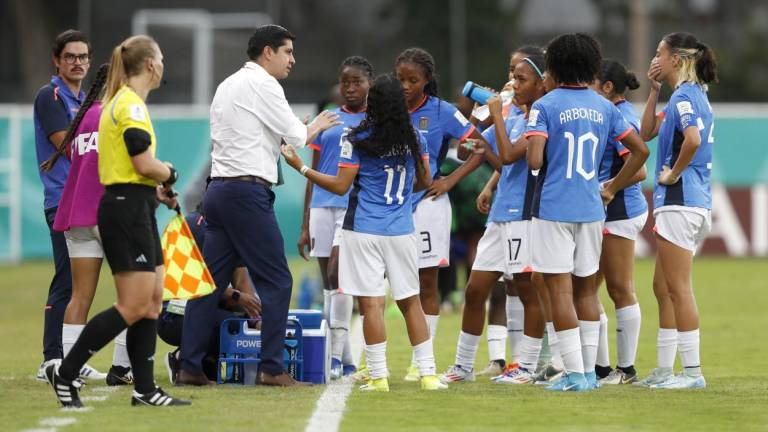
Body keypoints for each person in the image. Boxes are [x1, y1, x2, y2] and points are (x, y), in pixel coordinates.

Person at [179, 24, 339, 387]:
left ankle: (189, 366)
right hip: (246, 193)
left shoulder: (227, 84)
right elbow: (297, 137)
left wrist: (291, 130)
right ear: (268, 51)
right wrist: (319, 124)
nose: (292, 60)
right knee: (278, 280)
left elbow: (252, 134)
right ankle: (271, 367)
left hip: (218, 191)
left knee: (209, 283)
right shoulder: (265, 84)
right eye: (287, 52)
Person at [44, 35, 189, 407]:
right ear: (152, 65)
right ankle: (66, 372)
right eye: (162, 59)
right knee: (134, 304)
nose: (164, 66)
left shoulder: (123, 102)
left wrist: (154, 190)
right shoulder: (130, 105)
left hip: (136, 203)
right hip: (125, 210)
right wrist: (168, 172)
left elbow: (126, 166)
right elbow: (144, 163)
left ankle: (144, 389)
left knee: (153, 300)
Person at [282, 73, 447, 392]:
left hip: (363, 230)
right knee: (411, 301)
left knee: (371, 304)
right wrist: (399, 197)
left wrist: (300, 167)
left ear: (373, 103)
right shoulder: (415, 135)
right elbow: (426, 181)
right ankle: (428, 374)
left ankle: (379, 377)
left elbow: (341, 185)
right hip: (401, 229)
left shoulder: (356, 136)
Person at [524, 33, 649, 392]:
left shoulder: (545, 106)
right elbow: (640, 153)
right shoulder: (605, 107)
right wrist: (610, 186)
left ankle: (576, 374)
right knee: (587, 293)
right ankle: (592, 376)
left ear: (554, 67)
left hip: (553, 206)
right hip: (593, 209)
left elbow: (534, 159)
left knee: (559, 292)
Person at [440, 53, 547, 385]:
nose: (513, 84)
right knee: (474, 290)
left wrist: (498, 115)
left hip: (524, 214)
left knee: (526, 289)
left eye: (521, 79)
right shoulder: (513, 111)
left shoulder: (539, 116)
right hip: (502, 213)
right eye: (512, 77)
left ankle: (526, 367)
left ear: (542, 83)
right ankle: (463, 366)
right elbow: (471, 151)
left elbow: (511, 156)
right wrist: (479, 116)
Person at [394, 47, 488, 381]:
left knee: (427, 281)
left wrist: (450, 179)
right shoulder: (386, 108)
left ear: (427, 81)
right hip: (390, 205)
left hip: (429, 203)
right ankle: (370, 361)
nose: (405, 85)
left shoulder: (442, 111)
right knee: (394, 283)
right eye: (400, 79)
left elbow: (479, 146)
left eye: (412, 80)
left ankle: (423, 362)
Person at [42, 63, 134, 386]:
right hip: (110, 212)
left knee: (79, 295)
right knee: (131, 293)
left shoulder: (83, 117)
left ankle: (68, 372)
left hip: (76, 212)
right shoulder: (123, 112)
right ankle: (121, 368)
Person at [636, 32, 717, 389]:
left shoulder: (685, 96)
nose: (655, 58)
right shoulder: (687, 95)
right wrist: (653, 89)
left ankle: (693, 373)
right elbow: (647, 132)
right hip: (686, 203)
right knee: (662, 285)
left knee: (679, 287)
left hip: (681, 200)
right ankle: (666, 370)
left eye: (659, 53)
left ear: (676, 59)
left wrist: (674, 173)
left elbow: (694, 140)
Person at [297, 56, 374, 380]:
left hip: (352, 206)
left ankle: (331, 356)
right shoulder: (326, 119)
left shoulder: (375, 121)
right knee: (329, 284)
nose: (350, 88)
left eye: (357, 82)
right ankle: (344, 359)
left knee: (337, 273)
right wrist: (304, 224)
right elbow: (312, 172)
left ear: (369, 83)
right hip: (321, 207)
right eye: (346, 82)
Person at [32, 29, 90, 381]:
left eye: (83, 56)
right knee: (67, 280)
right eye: (70, 56)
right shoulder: (50, 96)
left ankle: (71, 355)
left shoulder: (85, 100)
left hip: (84, 201)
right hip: (62, 202)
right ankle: (51, 358)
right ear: (57, 60)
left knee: (83, 283)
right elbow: (69, 146)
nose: (78, 62)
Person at [589, 60, 648, 385]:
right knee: (585, 288)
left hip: (620, 211)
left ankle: (626, 371)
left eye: (591, 82)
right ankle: (600, 369)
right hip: (606, 212)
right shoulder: (610, 112)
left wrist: (609, 187)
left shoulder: (620, 117)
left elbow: (639, 170)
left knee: (619, 288)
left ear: (607, 87)